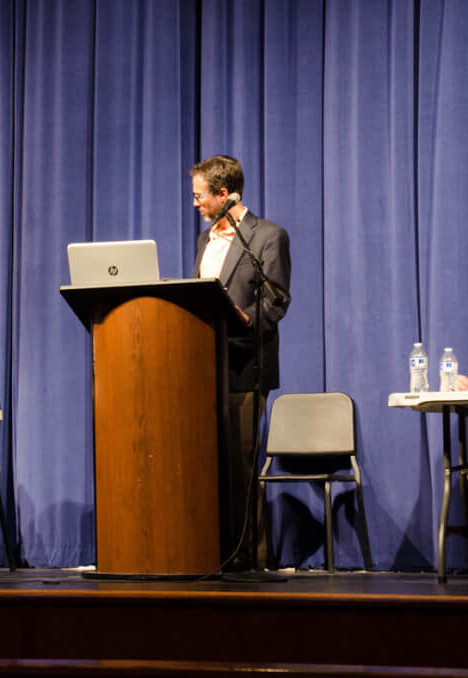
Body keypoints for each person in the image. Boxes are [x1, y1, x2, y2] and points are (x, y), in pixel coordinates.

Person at [191, 155, 291, 571]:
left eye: (200, 196)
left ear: (223, 194)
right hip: (204, 367)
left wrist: (249, 317)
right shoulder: (205, 240)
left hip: (247, 366)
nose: (195, 203)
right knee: (211, 465)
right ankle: (215, 550)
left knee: (242, 466)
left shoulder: (267, 235)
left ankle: (251, 556)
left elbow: (277, 299)